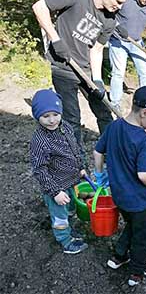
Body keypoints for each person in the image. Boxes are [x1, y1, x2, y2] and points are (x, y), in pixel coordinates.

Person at [32, 0, 129, 153]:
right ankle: (77, 161)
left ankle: (114, 153)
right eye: (118, 1)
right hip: (63, 68)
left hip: (86, 71)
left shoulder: (109, 20)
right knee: (72, 118)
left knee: (104, 112)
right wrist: (56, 40)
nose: (120, 6)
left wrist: (98, 80)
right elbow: (39, 7)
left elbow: (97, 50)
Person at [93, 85, 146, 286]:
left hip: (119, 196)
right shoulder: (145, 141)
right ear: (145, 112)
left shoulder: (113, 127)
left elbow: (97, 151)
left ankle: (118, 257)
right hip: (141, 201)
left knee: (131, 225)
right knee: (144, 236)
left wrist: (99, 174)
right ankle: (136, 273)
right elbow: (144, 175)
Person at [30, 89, 88, 254]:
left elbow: (74, 148)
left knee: (70, 208)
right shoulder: (39, 140)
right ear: (37, 116)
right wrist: (55, 192)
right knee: (59, 215)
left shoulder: (65, 127)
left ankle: (68, 229)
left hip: (71, 179)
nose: (51, 120)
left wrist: (81, 167)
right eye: (45, 116)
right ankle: (65, 240)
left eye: (55, 114)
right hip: (55, 186)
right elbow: (40, 170)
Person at [109, 0, 146, 110]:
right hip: (118, 41)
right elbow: (109, 12)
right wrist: (117, 26)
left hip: (136, 42)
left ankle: (145, 101)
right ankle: (115, 103)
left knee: (143, 71)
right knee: (118, 73)